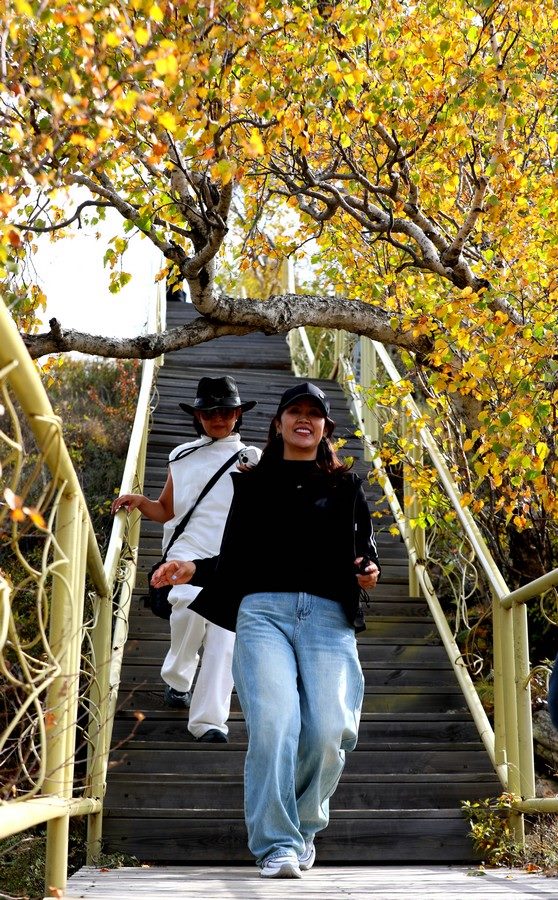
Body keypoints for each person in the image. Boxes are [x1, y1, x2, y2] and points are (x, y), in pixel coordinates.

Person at [151, 382, 380, 876]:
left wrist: (367, 571)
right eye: (295, 411)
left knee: (329, 731)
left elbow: (365, 552)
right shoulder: (250, 483)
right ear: (278, 424)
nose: (304, 419)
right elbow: (235, 558)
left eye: (314, 413)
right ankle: (277, 844)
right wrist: (191, 569)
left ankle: (304, 826)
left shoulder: (346, 485)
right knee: (275, 724)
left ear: (325, 427)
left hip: (328, 618)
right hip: (263, 614)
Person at [112, 375, 260, 743]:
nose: (218, 418)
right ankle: (178, 680)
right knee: (189, 608)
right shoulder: (180, 455)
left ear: (238, 414)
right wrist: (140, 502)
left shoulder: (253, 459)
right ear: (198, 416)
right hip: (185, 552)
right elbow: (167, 510)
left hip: (229, 559)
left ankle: (210, 721)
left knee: (224, 637)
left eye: (226, 411)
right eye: (209, 412)